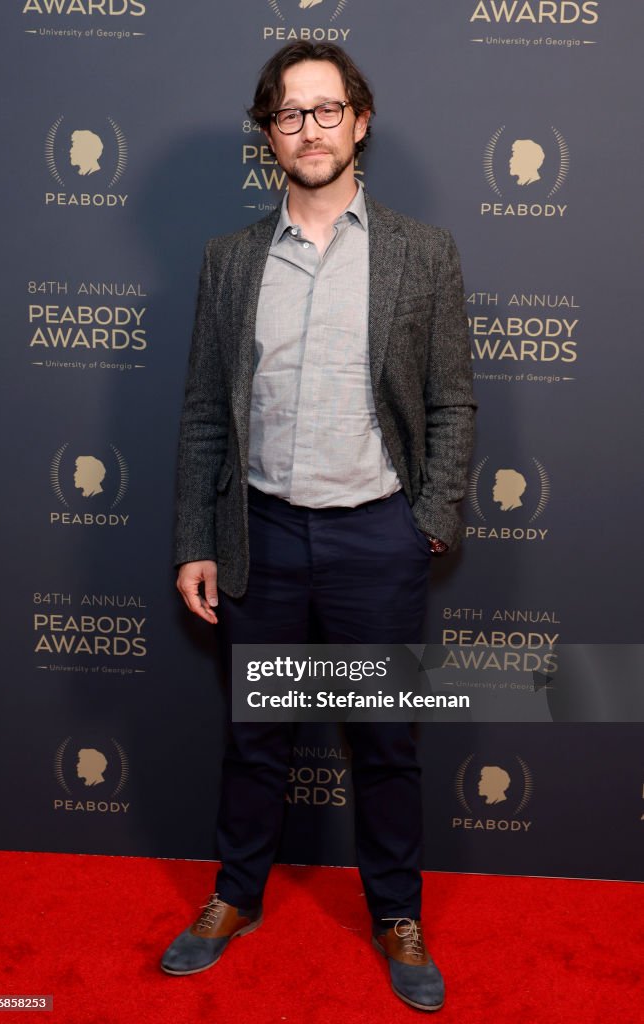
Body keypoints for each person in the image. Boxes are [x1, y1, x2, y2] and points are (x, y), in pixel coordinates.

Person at [161, 41, 476, 1013]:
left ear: (359, 120)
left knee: (383, 742)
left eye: (325, 109)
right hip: (261, 537)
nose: (309, 128)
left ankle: (395, 915)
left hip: (373, 542)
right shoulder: (230, 262)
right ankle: (233, 895)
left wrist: (421, 522)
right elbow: (206, 412)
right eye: (288, 113)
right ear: (268, 134)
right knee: (256, 737)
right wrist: (195, 538)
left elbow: (453, 405)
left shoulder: (421, 253)